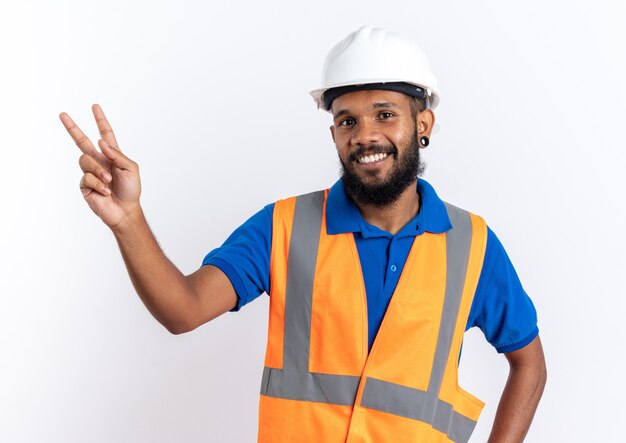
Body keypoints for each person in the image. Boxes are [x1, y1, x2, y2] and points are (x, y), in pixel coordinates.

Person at [60, 25, 546, 443]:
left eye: (385, 114)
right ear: (333, 133)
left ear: (423, 124)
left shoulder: (471, 244)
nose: (365, 135)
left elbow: (530, 365)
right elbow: (182, 310)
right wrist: (128, 220)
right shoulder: (284, 227)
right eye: (347, 121)